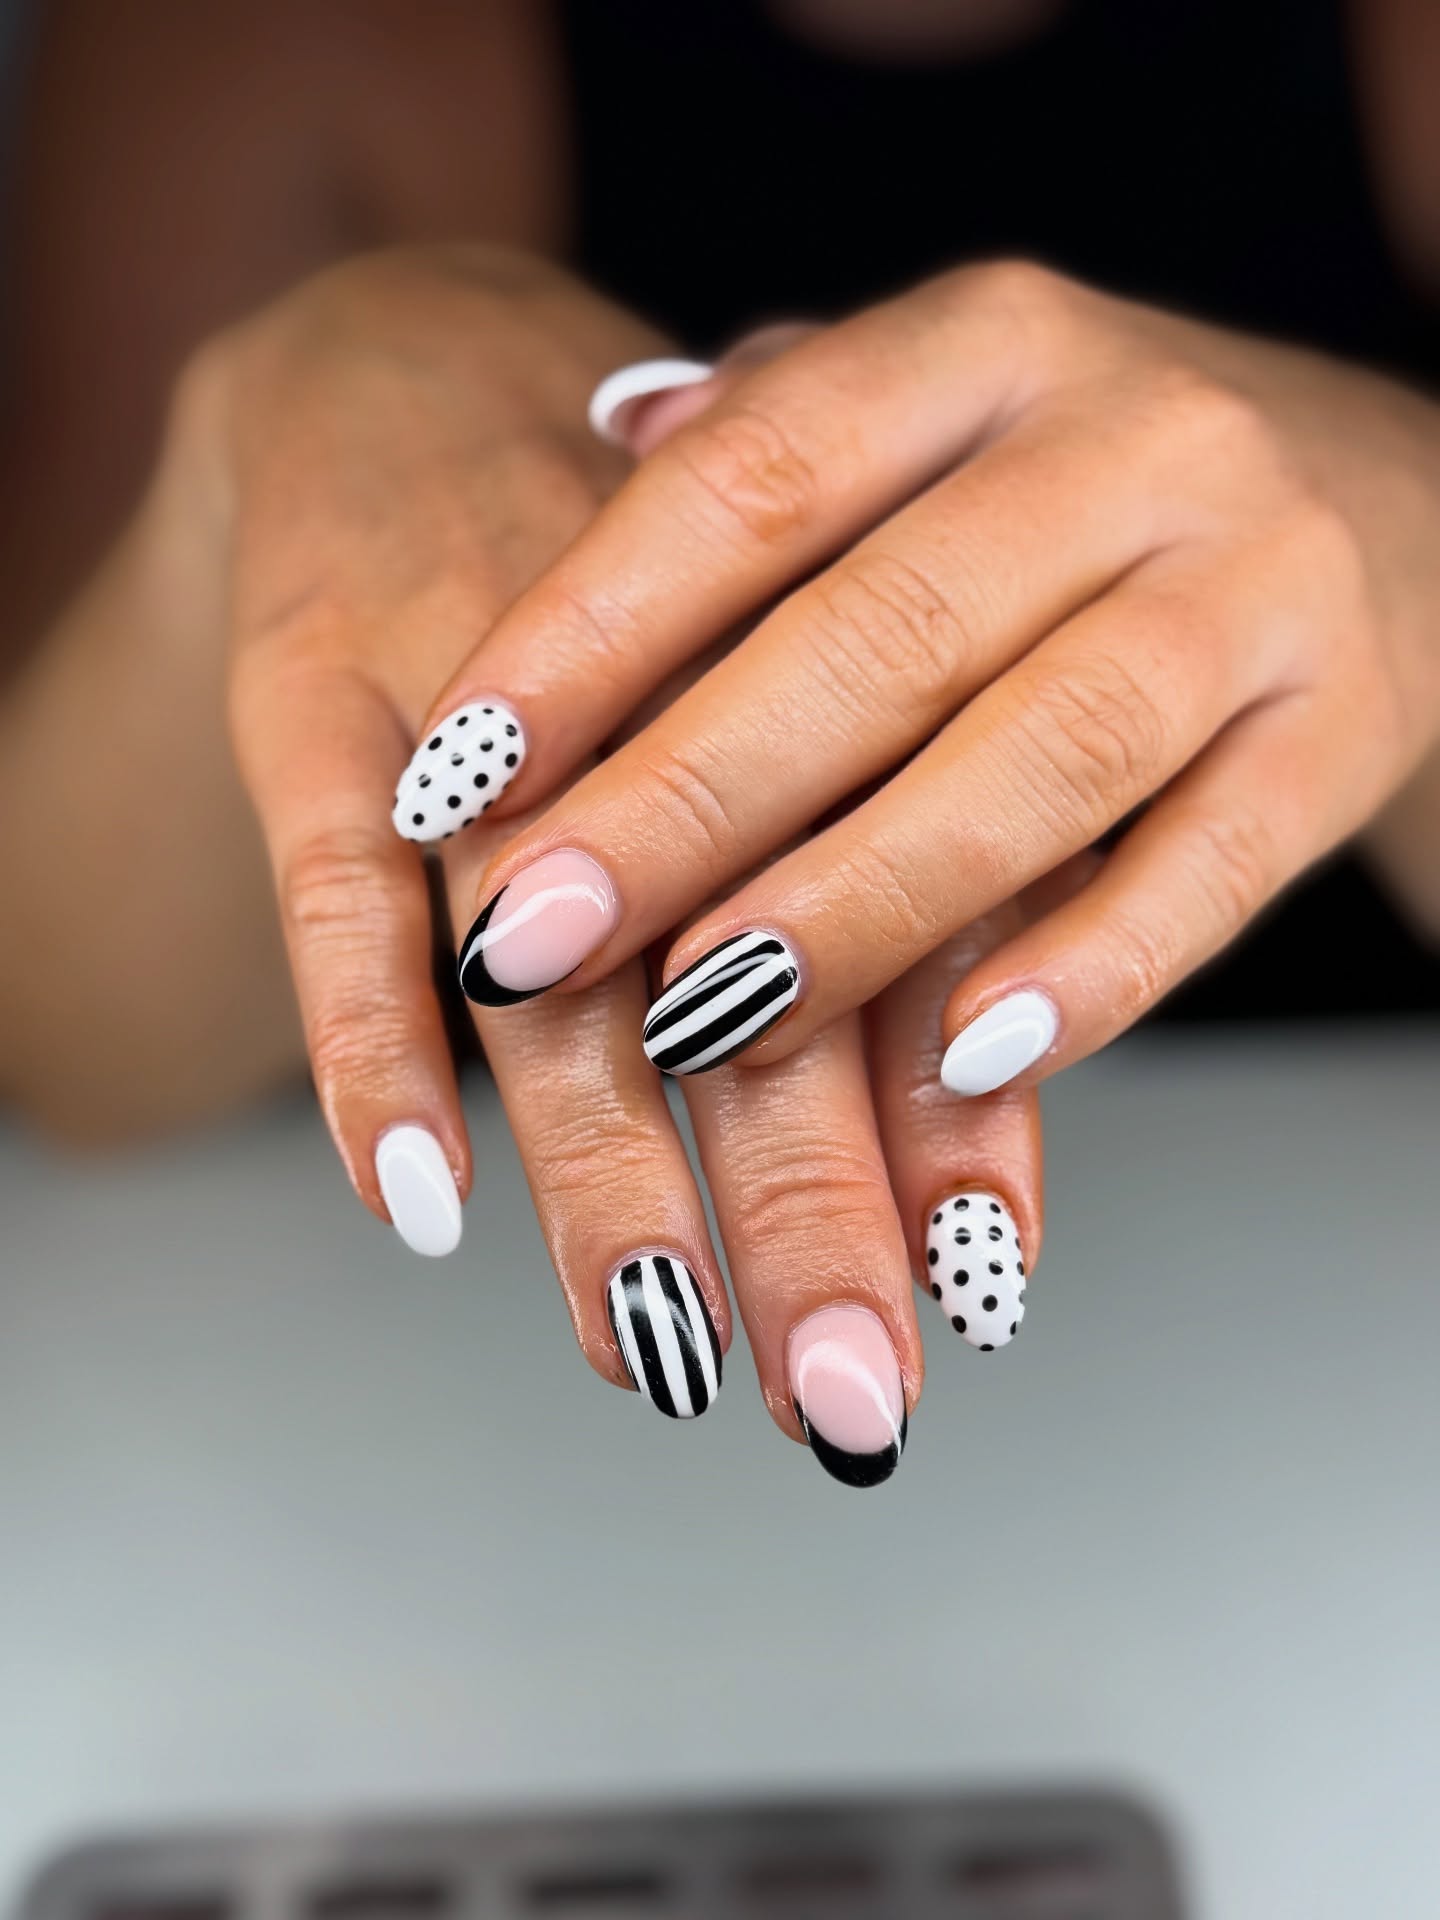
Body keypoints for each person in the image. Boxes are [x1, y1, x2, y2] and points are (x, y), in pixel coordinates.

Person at [2, 0, 1436, 1485]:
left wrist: (1412, 543)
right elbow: (77, 1059)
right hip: (415, 1442)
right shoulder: (271, 43)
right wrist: (239, 486)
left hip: (1334, 1406)